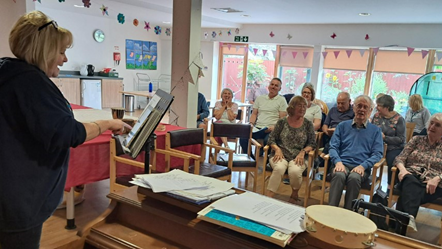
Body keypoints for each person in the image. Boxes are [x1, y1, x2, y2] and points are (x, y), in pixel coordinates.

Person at [0, 11, 130, 248]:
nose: (65, 60)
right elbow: (67, 133)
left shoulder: (8, 73)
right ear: (44, 51)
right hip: (18, 200)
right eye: (61, 52)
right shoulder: (31, 84)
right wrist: (107, 124)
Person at [328, 95, 384, 210]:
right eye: (359, 106)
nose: (362, 109)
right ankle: (331, 211)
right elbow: (333, 147)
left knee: (354, 177)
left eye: (365, 107)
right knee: (339, 175)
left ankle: (349, 213)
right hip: (342, 164)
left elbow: (377, 154)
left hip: (361, 167)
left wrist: (363, 166)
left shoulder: (375, 131)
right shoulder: (342, 126)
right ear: (354, 108)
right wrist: (338, 162)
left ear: (370, 111)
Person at [265, 96, 316, 203]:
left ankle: (294, 193)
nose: (302, 109)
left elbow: (312, 143)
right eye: (299, 106)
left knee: (295, 171)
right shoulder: (282, 122)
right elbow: (271, 139)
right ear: (292, 107)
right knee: (279, 168)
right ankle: (268, 198)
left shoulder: (308, 124)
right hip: (281, 155)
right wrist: (277, 149)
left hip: (299, 156)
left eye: (304, 106)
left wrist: (303, 152)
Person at [394, 113, 442, 224]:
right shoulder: (416, 140)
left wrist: (437, 178)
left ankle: (399, 225)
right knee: (410, 180)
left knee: (409, 191)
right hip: (410, 176)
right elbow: (399, 158)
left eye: (438, 125)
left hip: (432, 185)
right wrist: (403, 170)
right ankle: (408, 221)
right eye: (431, 123)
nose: (432, 126)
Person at [240, 78, 287, 155]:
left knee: (268, 140)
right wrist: (251, 123)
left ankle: (266, 162)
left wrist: (275, 127)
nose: (273, 87)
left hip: (271, 129)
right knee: (243, 137)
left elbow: (282, 119)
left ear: (279, 88)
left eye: (276, 85)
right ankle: (250, 159)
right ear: (268, 86)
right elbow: (254, 114)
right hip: (258, 128)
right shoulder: (260, 98)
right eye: (272, 84)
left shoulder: (282, 100)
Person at [371, 94, 405, 191]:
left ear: (387, 107)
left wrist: (385, 138)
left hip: (393, 147)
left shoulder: (399, 119)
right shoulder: (376, 116)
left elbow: (401, 139)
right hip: (377, 145)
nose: (376, 108)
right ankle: (365, 181)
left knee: (392, 161)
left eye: (379, 106)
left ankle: (391, 188)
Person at [320, 92, 354, 157]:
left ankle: (322, 156)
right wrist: (327, 131)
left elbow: (353, 129)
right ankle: (324, 157)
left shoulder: (353, 112)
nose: (340, 105)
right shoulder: (333, 110)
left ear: (349, 101)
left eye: (342, 103)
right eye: (338, 103)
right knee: (333, 138)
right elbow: (325, 125)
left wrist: (338, 131)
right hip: (330, 136)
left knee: (336, 138)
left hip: (345, 137)